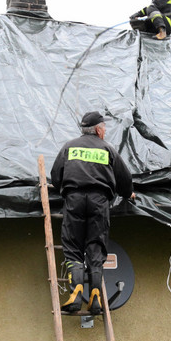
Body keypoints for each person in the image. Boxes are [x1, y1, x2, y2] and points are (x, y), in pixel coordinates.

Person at [50, 111, 134, 315]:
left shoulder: (69, 147)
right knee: (96, 246)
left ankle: (76, 294)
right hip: (99, 202)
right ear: (98, 130)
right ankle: (95, 295)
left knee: (72, 246)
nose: (105, 132)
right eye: (104, 128)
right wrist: (127, 193)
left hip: (74, 200)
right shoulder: (108, 150)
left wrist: (66, 188)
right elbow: (125, 181)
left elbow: (55, 177)